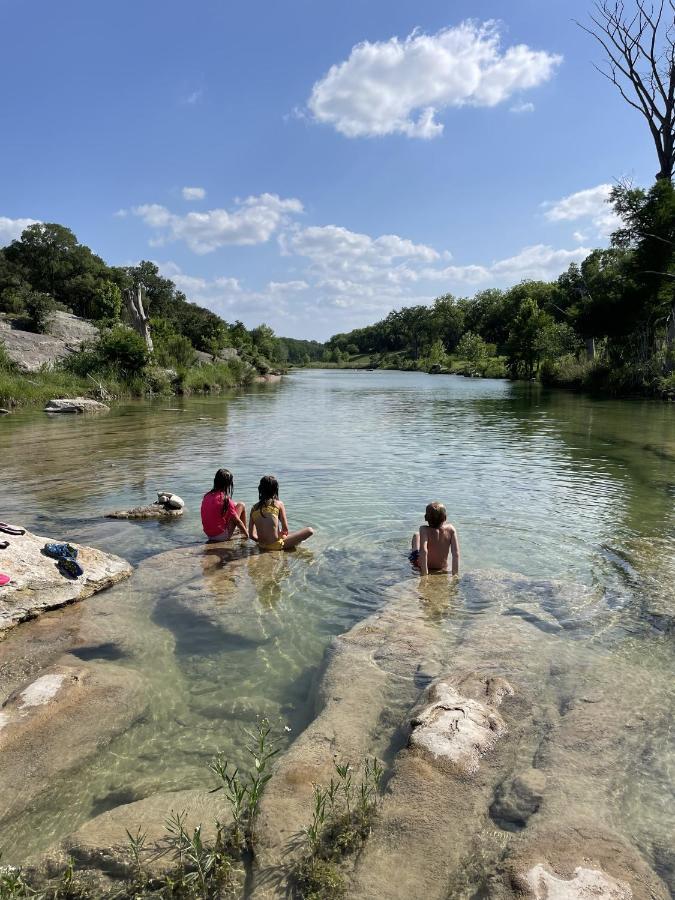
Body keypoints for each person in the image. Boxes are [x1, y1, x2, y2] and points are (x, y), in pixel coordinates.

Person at [249, 474, 313, 551]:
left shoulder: (253, 508)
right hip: (276, 546)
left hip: (261, 545)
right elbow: (285, 530)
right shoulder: (278, 504)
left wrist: (262, 542)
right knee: (309, 530)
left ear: (260, 489)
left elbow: (251, 535)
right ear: (275, 490)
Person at [409, 502, 460, 576]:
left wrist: (425, 574)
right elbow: (456, 554)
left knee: (416, 535)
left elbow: (423, 552)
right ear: (445, 517)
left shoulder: (424, 530)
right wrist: (455, 574)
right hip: (441, 567)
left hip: (421, 565)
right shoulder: (451, 529)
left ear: (425, 517)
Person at [201, 468, 248, 541]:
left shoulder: (207, 496)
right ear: (228, 484)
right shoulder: (226, 500)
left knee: (235, 504)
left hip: (209, 535)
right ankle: (244, 531)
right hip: (221, 536)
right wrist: (247, 535)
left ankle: (240, 530)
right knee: (241, 505)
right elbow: (237, 521)